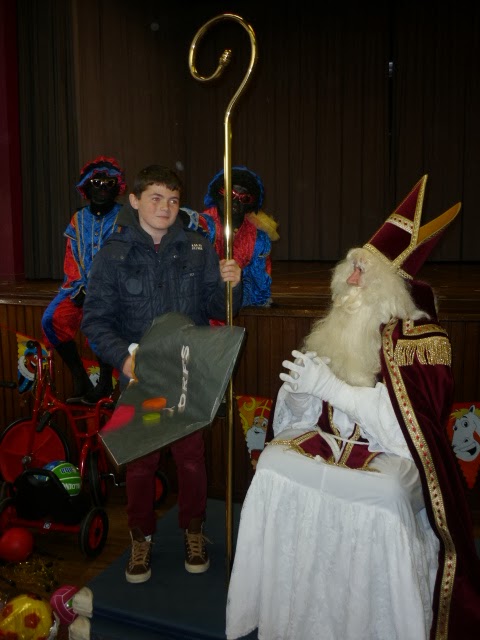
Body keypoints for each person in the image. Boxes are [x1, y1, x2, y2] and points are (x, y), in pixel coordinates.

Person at [226, 175, 480, 639]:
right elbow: (302, 419)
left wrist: (333, 388)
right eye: (352, 268)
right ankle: (296, 609)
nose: (351, 278)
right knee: (273, 465)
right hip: (335, 442)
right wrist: (300, 392)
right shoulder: (337, 325)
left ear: (389, 285)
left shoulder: (422, 341)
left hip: (392, 453)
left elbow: (409, 433)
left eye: (364, 271)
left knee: (384, 493)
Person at [81, 164, 242, 583]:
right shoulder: (112, 255)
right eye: (155, 198)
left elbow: (218, 308)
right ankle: (141, 537)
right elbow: (95, 321)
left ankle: (194, 530)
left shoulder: (197, 247)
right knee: (141, 461)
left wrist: (231, 285)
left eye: (172, 199)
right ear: (134, 200)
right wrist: (124, 359)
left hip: (187, 374)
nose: (165, 207)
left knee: (191, 459)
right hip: (141, 379)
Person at [41, 155, 126, 405]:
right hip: (78, 287)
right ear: (87, 187)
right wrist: (78, 286)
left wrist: (100, 289)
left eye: (108, 183)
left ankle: (104, 382)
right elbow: (71, 255)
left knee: (99, 325)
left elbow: (125, 258)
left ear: (116, 188)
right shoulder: (78, 219)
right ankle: (80, 377)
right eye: (96, 183)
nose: (102, 188)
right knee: (52, 319)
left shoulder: (125, 218)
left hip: (113, 290)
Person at [180, 166, 279, 308]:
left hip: (237, 300)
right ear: (218, 193)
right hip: (200, 300)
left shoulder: (258, 239)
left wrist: (255, 299)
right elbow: (191, 220)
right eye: (230, 193)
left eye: (244, 198)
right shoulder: (205, 224)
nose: (235, 201)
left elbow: (259, 283)